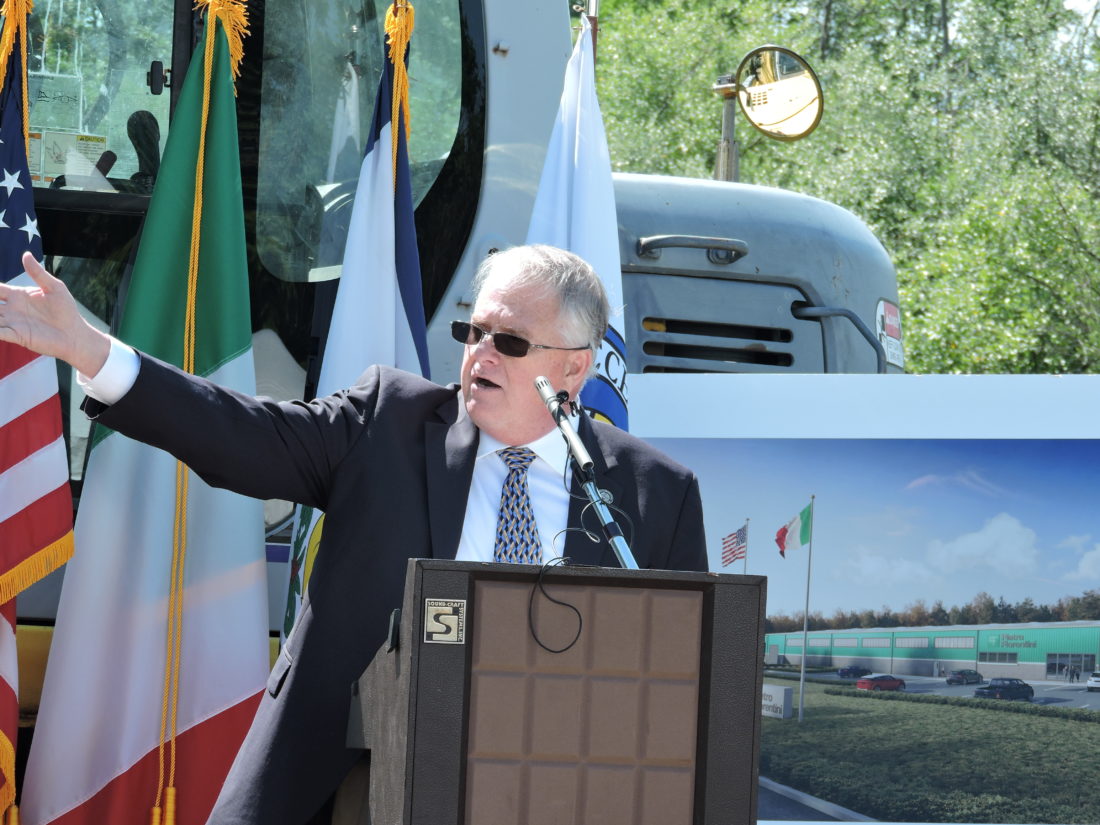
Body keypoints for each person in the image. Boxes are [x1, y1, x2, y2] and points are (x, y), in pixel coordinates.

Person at [1, 244, 707, 825]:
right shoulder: (386, 422)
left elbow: (680, 687)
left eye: (511, 341)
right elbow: (242, 435)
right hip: (356, 781)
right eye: (474, 332)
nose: (481, 354)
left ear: (574, 368)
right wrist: (95, 353)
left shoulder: (655, 496)